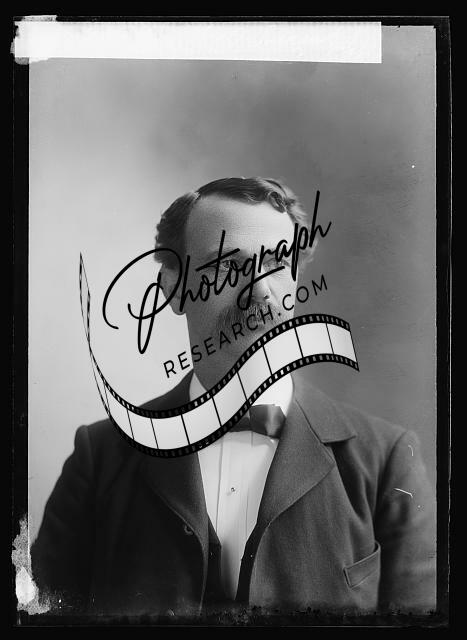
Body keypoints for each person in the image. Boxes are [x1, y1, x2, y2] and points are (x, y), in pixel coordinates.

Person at [31, 177, 436, 619]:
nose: (260, 291)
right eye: (228, 266)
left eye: (276, 263)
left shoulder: (385, 461)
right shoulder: (100, 459)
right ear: (173, 287)